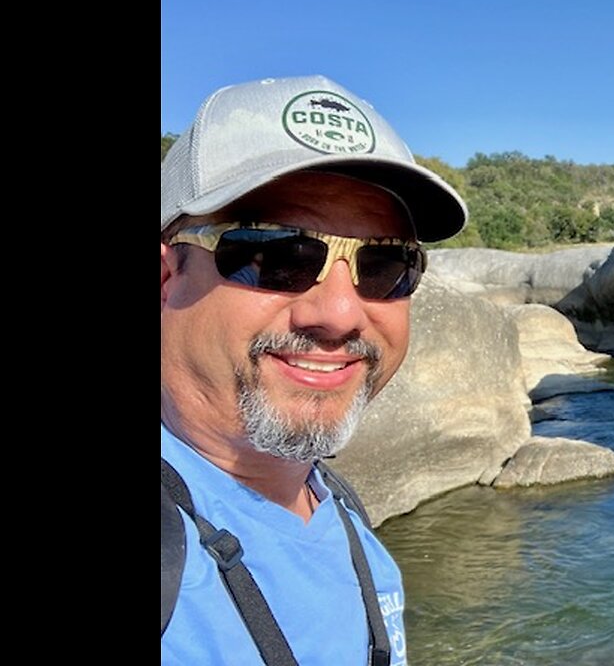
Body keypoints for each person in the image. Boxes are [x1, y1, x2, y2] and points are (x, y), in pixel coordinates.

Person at [160, 75, 468, 665]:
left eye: (384, 265)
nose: (340, 314)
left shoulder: (339, 511)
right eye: (275, 255)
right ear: (168, 277)